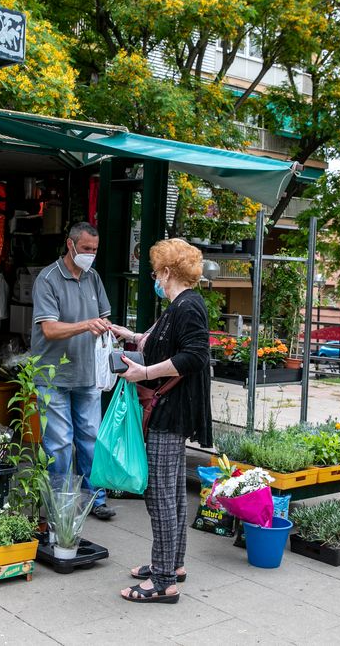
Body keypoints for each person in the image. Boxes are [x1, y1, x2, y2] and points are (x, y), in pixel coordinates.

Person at [108, 238, 213, 604]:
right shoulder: (180, 305)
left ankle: (164, 580)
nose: (154, 277)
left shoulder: (187, 306)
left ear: (168, 272)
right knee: (170, 493)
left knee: (162, 495)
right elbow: (165, 343)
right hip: (171, 408)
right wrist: (130, 336)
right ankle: (174, 563)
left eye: (155, 271)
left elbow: (194, 355)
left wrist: (145, 372)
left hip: (171, 410)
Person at [30, 222, 116, 520]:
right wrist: (85, 324)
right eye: (86, 249)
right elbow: (50, 329)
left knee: (92, 437)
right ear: (70, 244)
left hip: (87, 373)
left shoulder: (93, 278)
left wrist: (126, 335)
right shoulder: (48, 279)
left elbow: (104, 320)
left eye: (95, 249)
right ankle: (61, 500)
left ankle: (96, 497)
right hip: (52, 375)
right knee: (60, 442)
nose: (91, 255)